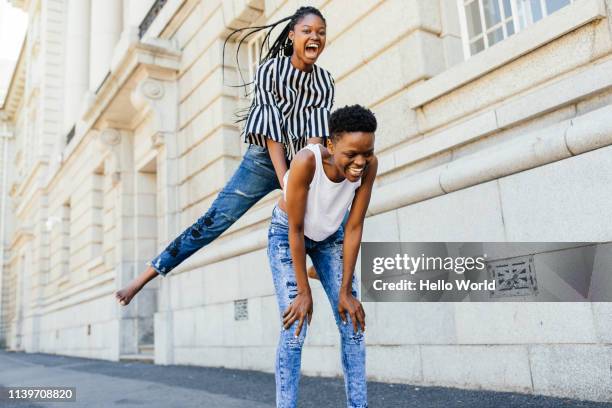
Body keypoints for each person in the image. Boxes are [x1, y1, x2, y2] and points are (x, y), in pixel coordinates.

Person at [116, 6, 332, 305]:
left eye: (321, 33)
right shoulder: (271, 70)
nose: (315, 37)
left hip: (301, 161)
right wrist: (287, 181)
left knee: (346, 180)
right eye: (307, 31)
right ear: (293, 35)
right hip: (264, 161)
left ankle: (320, 264)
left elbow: (314, 138)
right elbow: (271, 134)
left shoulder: (324, 81)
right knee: (213, 221)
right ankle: (143, 277)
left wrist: (310, 178)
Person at [268, 105, 377, 408]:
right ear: (330, 145)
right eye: (351, 154)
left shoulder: (369, 165)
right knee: (296, 326)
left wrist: (345, 292)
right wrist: (303, 292)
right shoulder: (307, 161)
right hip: (287, 235)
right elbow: (296, 228)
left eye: (366, 153)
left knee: (352, 320)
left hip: (330, 237)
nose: (360, 162)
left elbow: (354, 226)